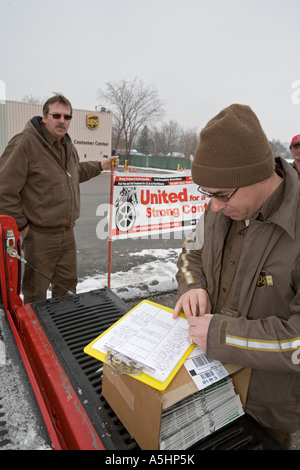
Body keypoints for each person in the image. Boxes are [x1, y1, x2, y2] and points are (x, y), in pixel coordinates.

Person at [173, 103, 300, 449]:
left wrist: (222, 335)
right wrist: (193, 285)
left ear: (257, 176)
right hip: (208, 386)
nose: (213, 206)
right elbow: (189, 253)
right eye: (208, 194)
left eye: (221, 195)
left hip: (265, 407)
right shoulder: (222, 202)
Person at [0, 94, 119, 304]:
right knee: (35, 292)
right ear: (45, 117)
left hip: (67, 233)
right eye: (57, 115)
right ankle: (34, 334)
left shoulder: (66, 145)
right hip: (39, 235)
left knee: (67, 285)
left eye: (67, 117)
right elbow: (4, 189)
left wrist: (101, 166)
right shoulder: (25, 143)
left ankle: (60, 330)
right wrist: (22, 226)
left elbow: (75, 172)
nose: (62, 120)